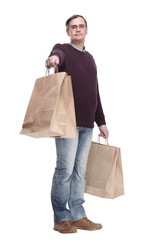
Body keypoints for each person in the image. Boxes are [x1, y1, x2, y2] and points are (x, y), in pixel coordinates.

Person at [45, 14, 109, 234]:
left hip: (86, 125)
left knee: (80, 172)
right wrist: (53, 59)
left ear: (87, 30)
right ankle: (61, 219)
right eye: (73, 27)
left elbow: (95, 92)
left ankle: (78, 215)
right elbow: (57, 55)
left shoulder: (90, 58)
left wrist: (101, 121)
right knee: (65, 170)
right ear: (68, 32)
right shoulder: (62, 49)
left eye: (81, 26)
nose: (78, 29)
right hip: (67, 122)